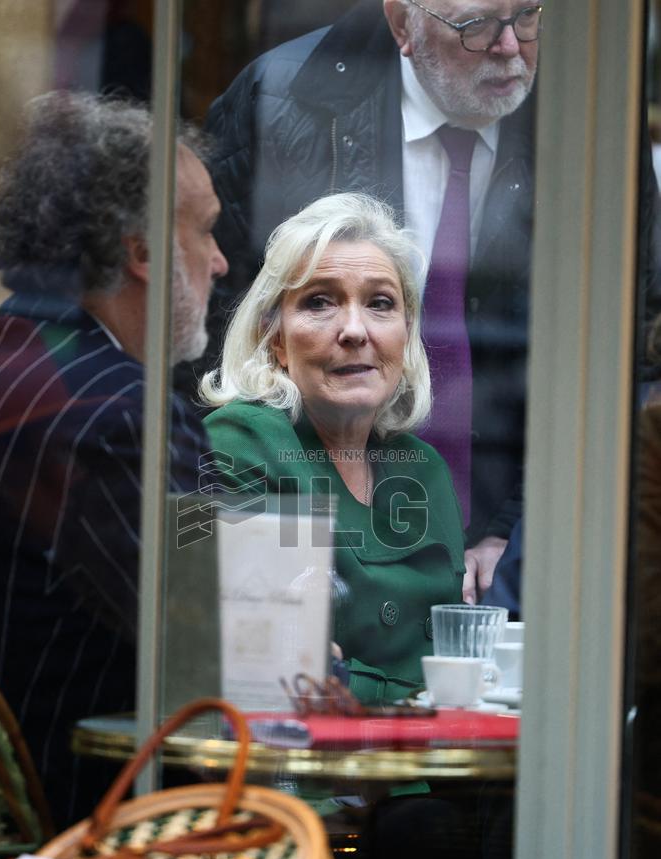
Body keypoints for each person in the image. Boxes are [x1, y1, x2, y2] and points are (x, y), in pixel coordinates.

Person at [197, 0, 659, 604]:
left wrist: (520, 534)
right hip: (314, 531)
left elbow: (630, 350)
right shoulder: (279, 102)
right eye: (475, 26)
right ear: (401, 23)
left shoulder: (595, 115)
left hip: (527, 530)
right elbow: (207, 337)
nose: (509, 47)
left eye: (528, 17)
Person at [0, 91, 228, 829]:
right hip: (83, 846)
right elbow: (212, 642)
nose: (222, 263)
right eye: (205, 232)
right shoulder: (120, 414)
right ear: (141, 252)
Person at [202, 192, 464, 705]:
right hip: (302, 774)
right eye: (320, 301)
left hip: (433, 774)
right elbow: (263, 666)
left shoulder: (424, 468)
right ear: (273, 338)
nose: (354, 330)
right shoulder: (240, 441)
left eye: (381, 303)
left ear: (406, 335)